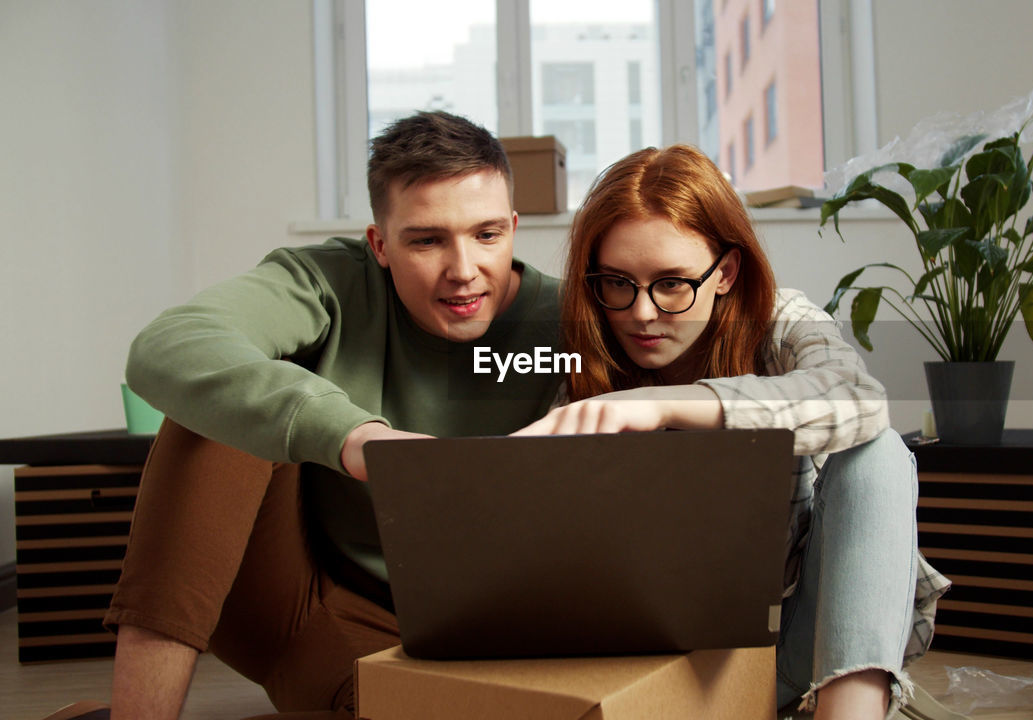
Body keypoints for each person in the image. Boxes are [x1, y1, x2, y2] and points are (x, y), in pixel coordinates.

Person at [44, 111, 563, 720]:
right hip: (314, 606)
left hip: (481, 632)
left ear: (513, 228)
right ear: (379, 246)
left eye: (487, 234)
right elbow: (170, 346)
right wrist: (355, 436)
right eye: (426, 240)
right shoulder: (330, 282)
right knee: (219, 405)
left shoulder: (563, 322)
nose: (463, 269)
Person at [515, 145, 950, 720]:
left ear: (725, 272)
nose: (641, 312)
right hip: (644, 665)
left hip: (784, 649)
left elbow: (858, 397)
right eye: (618, 282)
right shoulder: (582, 355)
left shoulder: (781, 320)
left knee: (876, 449)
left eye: (671, 284)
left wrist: (668, 404)